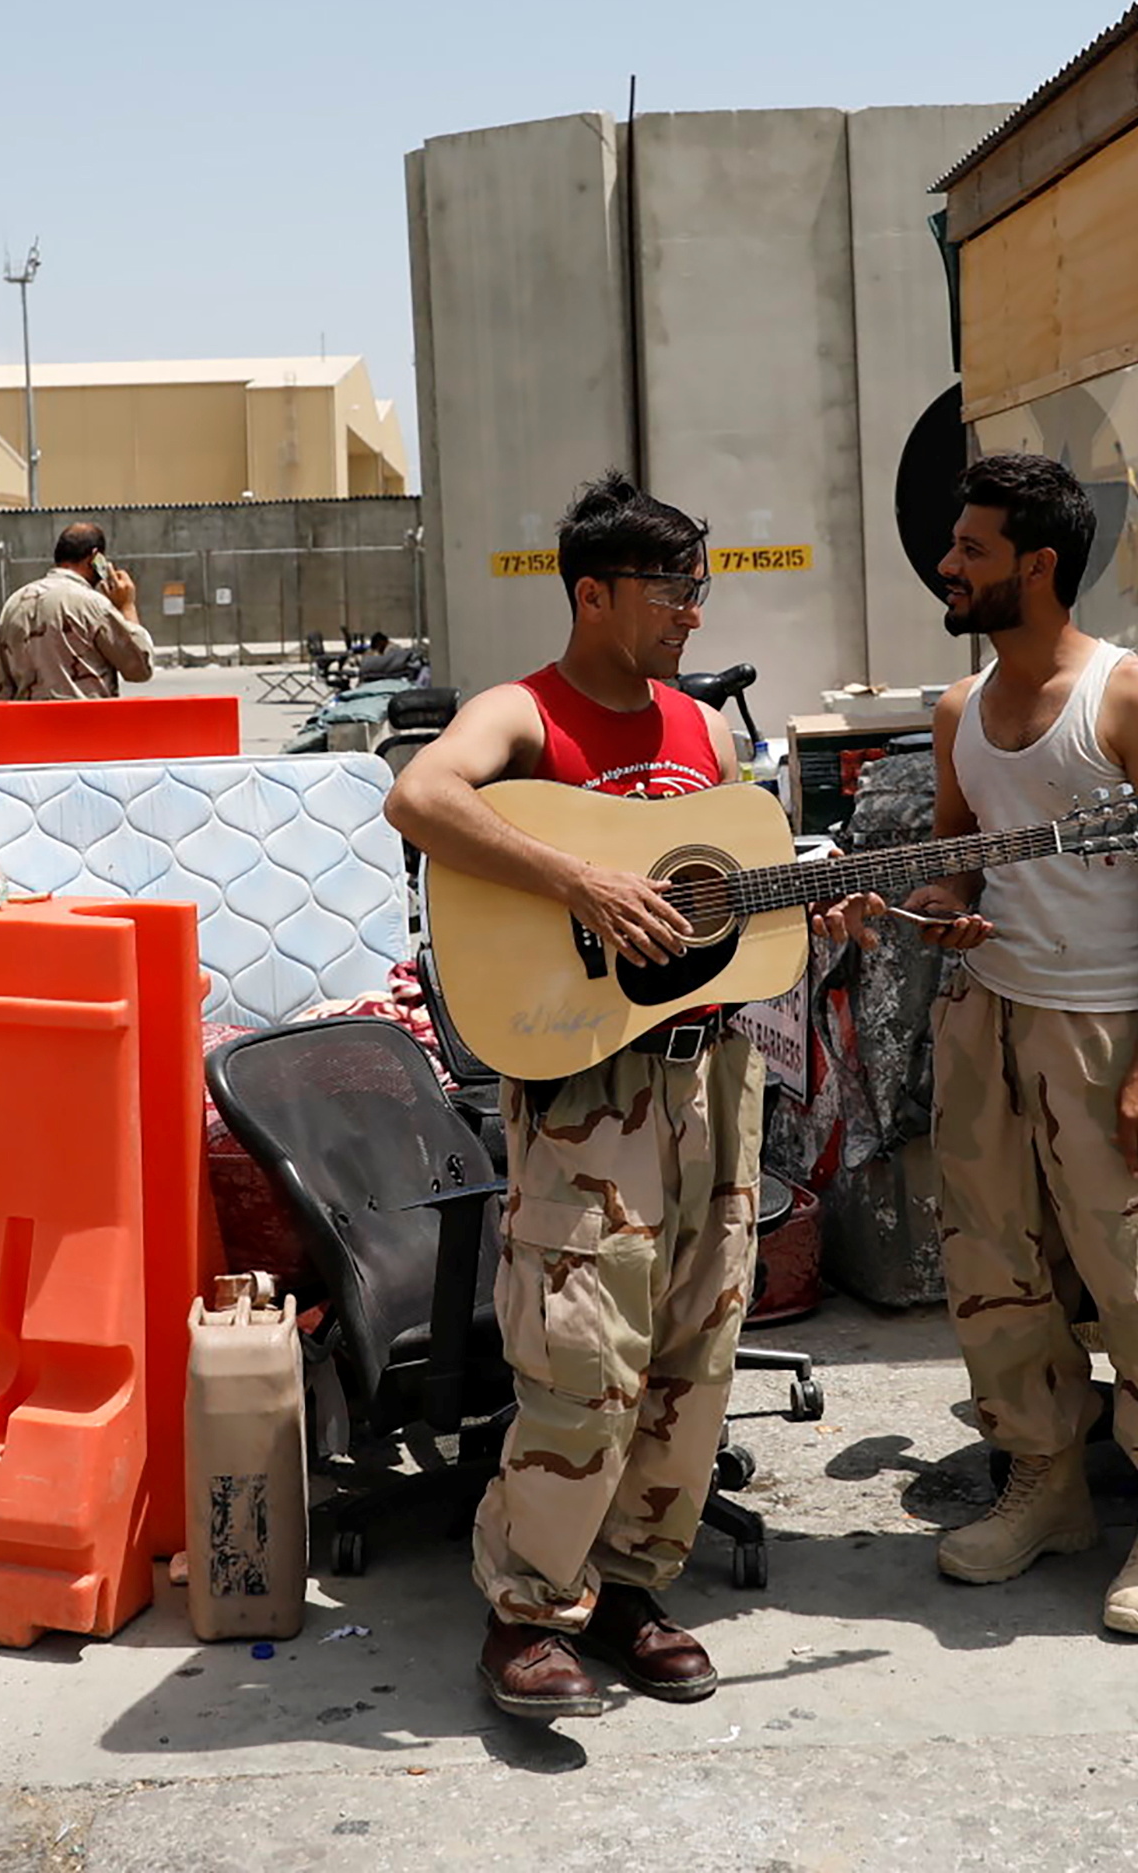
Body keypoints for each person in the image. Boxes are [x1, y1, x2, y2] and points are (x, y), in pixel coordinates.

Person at [817, 452, 1138, 1634]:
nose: (945, 564)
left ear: (1037, 564)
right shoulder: (961, 710)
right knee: (995, 1269)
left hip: (1109, 1029)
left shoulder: (1134, 700)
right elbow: (960, 862)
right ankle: (1044, 1482)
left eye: (971, 548)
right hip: (988, 1021)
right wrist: (930, 904)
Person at [384, 472, 761, 1724]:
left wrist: (835, 907)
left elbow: (736, 896)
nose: (691, 614)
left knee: (695, 1346)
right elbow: (419, 796)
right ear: (592, 594)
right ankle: (526, 1612)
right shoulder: (523, 712)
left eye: (698, 590)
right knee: (583, 1351)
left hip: (710, 1074)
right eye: (670, 591)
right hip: (586, 1086)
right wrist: (579, 881)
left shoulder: (704, 730)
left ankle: (629, 1587)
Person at [0, 521, 153, 700]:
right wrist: (126, 606)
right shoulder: (93, 605)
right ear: (95, 557)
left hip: (29, 718)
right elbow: (140, 669)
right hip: (85, 717)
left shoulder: (15, 603)